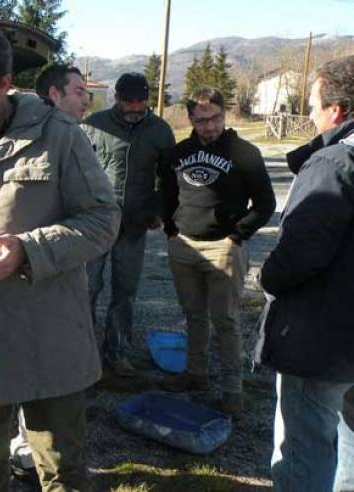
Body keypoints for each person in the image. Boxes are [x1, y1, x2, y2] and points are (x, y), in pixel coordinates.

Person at [0, 19, 120, 492]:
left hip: (46, 332)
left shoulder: (61, 137)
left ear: (6, 83)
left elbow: (102, 220)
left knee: (59, 464)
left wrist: (29, 250)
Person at [258, 54, 354, 492]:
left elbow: (301, 252)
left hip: (320, 339)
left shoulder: (333, 163)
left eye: (314, 104)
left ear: (336, 111)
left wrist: (265, 277)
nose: (311, 113)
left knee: (305, 447)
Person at [158, 87, 275, 416]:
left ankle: (232, 391)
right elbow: (165, 196)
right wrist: (170, 232)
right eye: (201, 120)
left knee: (226, 320)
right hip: (183, 246)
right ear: (191, 119)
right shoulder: (178, 153)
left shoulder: (245, 153)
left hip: (224, 249)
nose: (209, 126)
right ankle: (196, 375)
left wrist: (236, 236)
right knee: (193, 316)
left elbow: (266, 204)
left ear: (225, 114)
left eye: (215, 118)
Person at [8, 61, 93, 482]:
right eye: (78, 91)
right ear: (54, 95)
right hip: (10, 296)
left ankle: (34, 451)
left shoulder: (72, 138)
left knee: (55, 411)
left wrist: (31, 250)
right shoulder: (36, 137)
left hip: (55, 294)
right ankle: (24, 448)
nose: (86, 100)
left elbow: (97, 217)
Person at [81, 72, 176, 376]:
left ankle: (117, 353)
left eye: (140, 101)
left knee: (125, 292)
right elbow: (77, 169)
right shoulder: (95, 125)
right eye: (128, 101)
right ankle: (82, 353)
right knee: (86, 288)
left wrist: (159, 210)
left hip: (135, 223)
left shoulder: (160, 130)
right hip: (97, 222)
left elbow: (168, 178)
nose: (135, 107)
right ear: (117, 99)